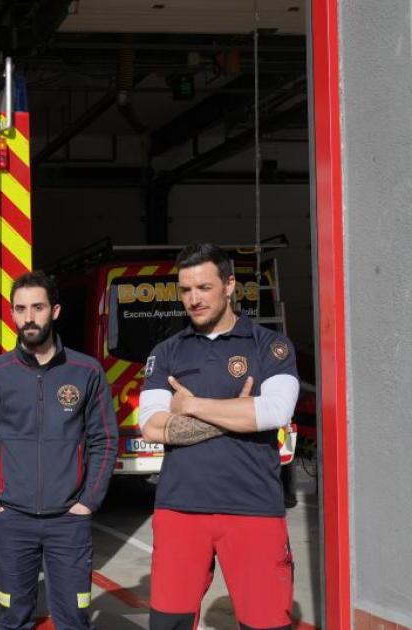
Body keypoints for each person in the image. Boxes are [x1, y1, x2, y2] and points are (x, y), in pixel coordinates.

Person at [138, 243, 300, 629]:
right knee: (167, 624)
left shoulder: (270, 347)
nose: (193, 299)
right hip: (179, 509)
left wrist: (192, 406)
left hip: (254, 508)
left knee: (266, 623)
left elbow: (275, 412)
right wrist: (236, 411)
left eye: (204, 288)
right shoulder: (166, 353)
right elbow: (153, 426)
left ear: (229, 285)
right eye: (186, 290)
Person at [0, 270, 117, 630]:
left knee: (74, 619)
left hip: (69, 520)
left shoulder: (85, 371)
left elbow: (105, 440)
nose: (29, 318)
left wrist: (88, 501)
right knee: (14, 618)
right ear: (12, 315)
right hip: (11, 519)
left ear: (55, 311)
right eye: (21, 309)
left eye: (38, 307)